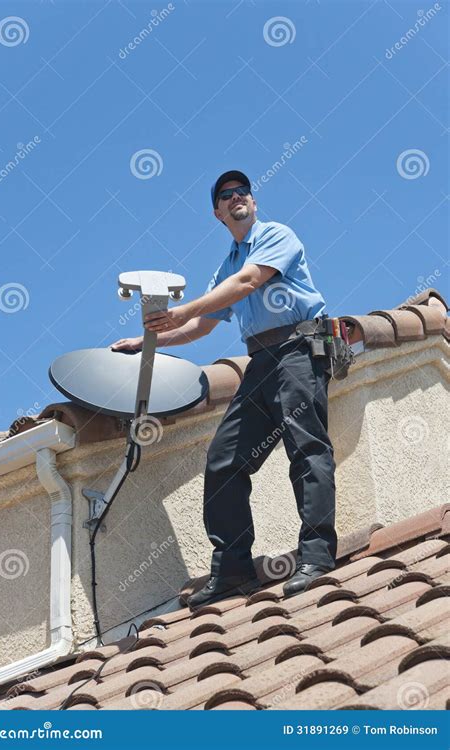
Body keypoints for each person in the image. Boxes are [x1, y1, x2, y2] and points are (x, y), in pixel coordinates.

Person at [111, 170, 337, 609]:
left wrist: (179, 311)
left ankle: (316, 556)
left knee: (307, 451)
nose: (237, 197)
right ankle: (232, 569)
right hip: (261, 361)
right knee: (224, 460)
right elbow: (201, 326)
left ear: (253, 201)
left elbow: (247, 283)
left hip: (298, 348)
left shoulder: (276, 235)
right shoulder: (226, 265)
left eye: (243, 192)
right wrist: (147, 341)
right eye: (226, 196)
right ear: (217, 213)